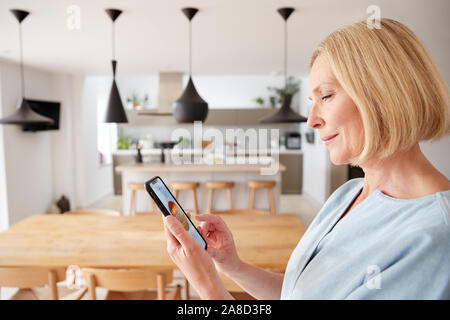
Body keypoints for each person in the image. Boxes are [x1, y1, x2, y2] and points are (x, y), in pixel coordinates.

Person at [163, 18, 450, 299]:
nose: (311, 120)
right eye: (311, 103)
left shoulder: (434, 238)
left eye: (325, 96)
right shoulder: (348, 194)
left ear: (384, 94)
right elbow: (300, 292)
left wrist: (206, 285)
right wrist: (232, 266)